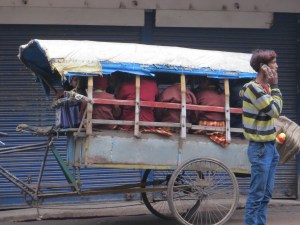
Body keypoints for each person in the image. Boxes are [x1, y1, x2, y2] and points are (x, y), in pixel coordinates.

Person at [240, 49, 282, 225]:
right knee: (257, 196)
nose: (277, 66)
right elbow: (275, 111)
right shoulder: (253, 89)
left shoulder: (264, 89)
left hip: (270, 147)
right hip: (260, 149)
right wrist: (276, 86)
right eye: (273, 63)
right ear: (263, 67)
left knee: (266, 195)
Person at [194, 77, 229, 147]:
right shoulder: (223, 95)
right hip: (221, 127)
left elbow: (195, 114)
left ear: (207, 82)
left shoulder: (201, 94)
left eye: (201, 81)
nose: (200, 84)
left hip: (205, 126)